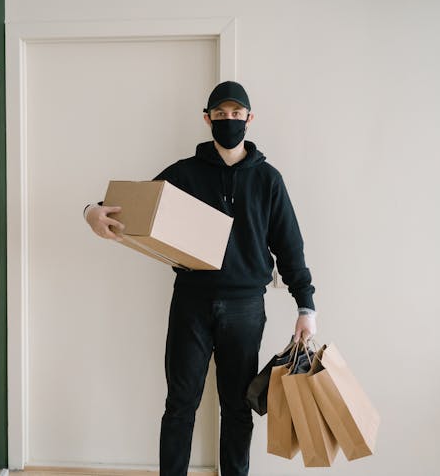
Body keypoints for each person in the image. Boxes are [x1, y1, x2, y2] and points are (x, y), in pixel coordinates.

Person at [83, 81, 317, 476]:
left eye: (236, 114)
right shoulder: (183, 174)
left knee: (237, 408)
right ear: (207, 119)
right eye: (221, 114)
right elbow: (133, 208)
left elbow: (290, 248)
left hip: (245, 309)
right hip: (191, 302)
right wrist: (91, 210)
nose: (229, 121)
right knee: (180, 405)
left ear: (249, 119)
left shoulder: (268, 180)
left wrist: (306, 306)